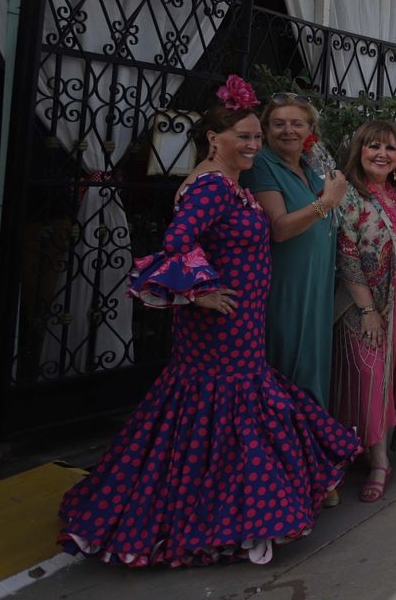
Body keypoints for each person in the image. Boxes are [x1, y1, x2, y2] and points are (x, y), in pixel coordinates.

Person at [60, 79, 359, 566]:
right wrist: (200, 293)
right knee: (224, 417)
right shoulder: (210, 185)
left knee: (221, 420)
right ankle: (234, 517)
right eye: (244, 136)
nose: (252, 145)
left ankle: (233, 511)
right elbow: (176, 242)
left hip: (239, 326)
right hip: (219, 329)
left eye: (255, 138)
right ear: (213, 139)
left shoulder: (229, 185)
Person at [331, 121, 396, 502]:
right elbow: (347, 252)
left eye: (389, 148)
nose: (382, 155)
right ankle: (377, 460)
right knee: (369, 380)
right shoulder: (350, 195)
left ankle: (376, 452)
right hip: (365, 305)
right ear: (360, 150)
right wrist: (367, 308)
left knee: (391, 380)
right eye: (373, 147)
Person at [243, 92, 347, 406]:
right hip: (287, 282)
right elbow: (280, 228)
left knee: (314, 359)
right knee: (290, 361)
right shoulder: (262, 164)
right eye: (278, 124)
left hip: (317, 280)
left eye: (296, 123)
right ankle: (287, 441)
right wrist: (326, 203)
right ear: (266, 129)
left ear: (309, 129)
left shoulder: (311, 165)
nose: (288, 130)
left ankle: (311, 440)